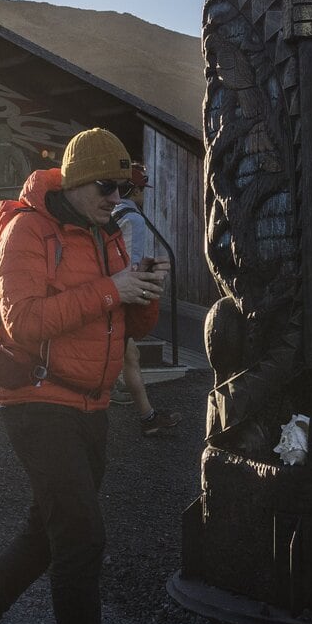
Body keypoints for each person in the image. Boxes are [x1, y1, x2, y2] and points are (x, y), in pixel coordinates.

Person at [0, 128, 165, 624]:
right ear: (73, 180)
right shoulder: (27, 229)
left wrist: (145, 289)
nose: (117, 197)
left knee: (49, 527)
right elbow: (23, 322)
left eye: (124, 187)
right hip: (36, 398)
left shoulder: (110, 235)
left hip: (92, 403)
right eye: (107, 186)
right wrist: (111, 290)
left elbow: (130, 320)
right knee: (81, 536)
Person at [108, 165, 181, 437]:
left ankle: (146, 415)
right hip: (119, 294)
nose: (143, 196)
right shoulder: (134, 219)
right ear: (135, 190)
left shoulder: (110, 213)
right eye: (141, 191)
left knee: (130, 356)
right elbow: (132, 263)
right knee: (129, 356)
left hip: (104, 288)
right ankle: (147, 418)